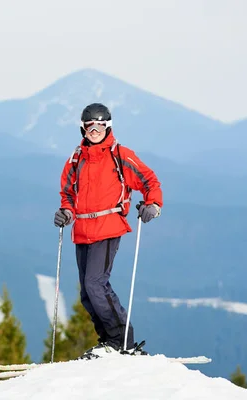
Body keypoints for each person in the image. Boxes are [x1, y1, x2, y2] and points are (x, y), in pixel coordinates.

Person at [54, 102, 163, 359]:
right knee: (87, 292)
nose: (95, 129)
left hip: (108, 225)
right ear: (83, 128)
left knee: (95, 284)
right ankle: (108, 342)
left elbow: (149, 180)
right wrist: (66, 212)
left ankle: (121, 340)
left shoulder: (120, 155)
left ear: (108, 126)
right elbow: (68, 194)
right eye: (90, 125)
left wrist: (154, 205)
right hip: (82, 229)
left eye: (100, 125)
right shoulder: (75, 159)